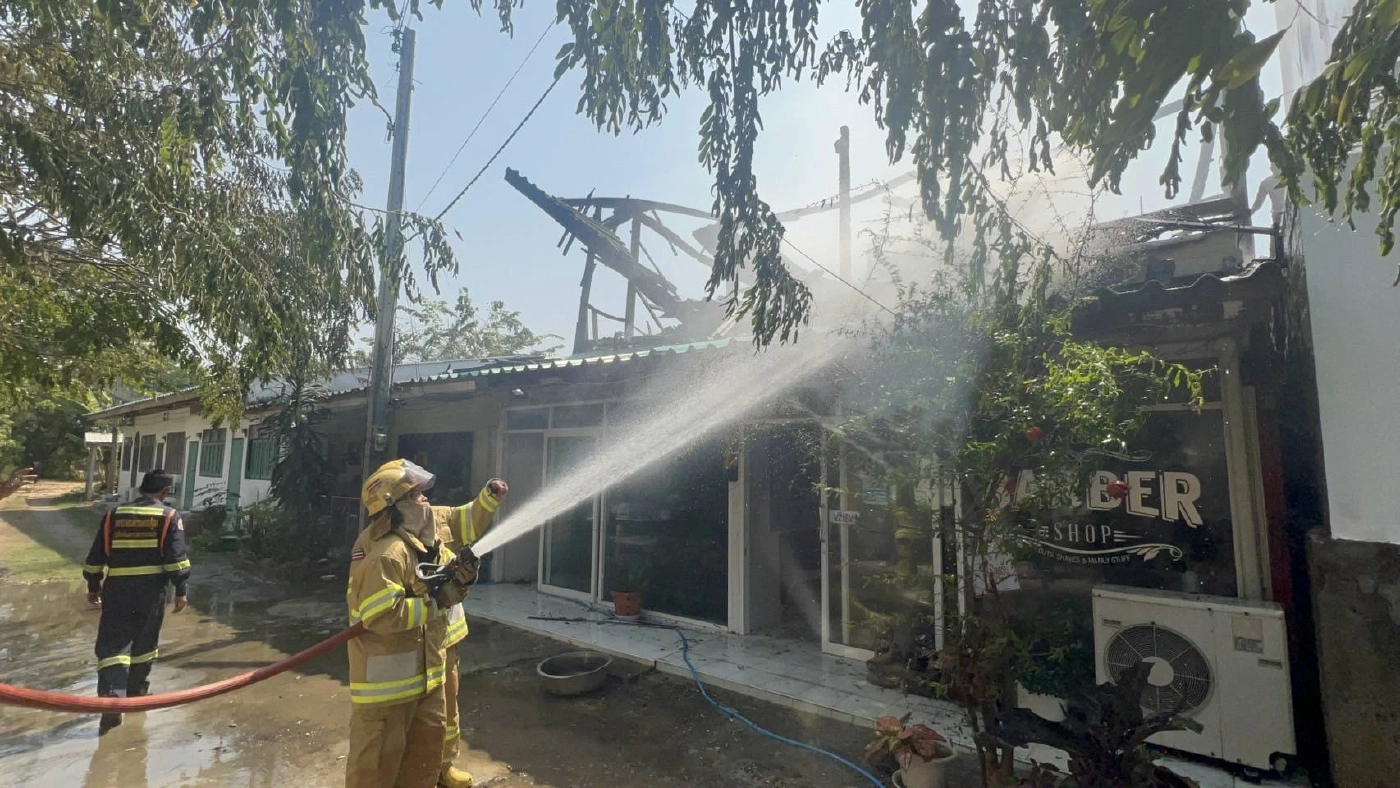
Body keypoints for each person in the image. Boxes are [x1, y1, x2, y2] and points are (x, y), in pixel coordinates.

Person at [345, 459, 449, 788]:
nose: (426, 501)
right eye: (418, 495)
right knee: (376, 771)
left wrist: (458, 576)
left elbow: (441, 576)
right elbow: (380, 615)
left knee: (423, 763)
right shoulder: (387, 554)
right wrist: (435, 604)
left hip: (427, 679)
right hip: (387, 690)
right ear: (396, 506)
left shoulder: (421, 544)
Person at [81, 469, 190, 733]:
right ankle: (137, 695)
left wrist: (93, 585)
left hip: (117, 590)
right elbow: (176, 559)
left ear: (141, 489)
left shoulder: (113, 515)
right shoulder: (169, 516)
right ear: (164, 493)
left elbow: (96, 555)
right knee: (144, 644)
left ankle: (112, 701)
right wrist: (181, 589)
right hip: (151, 593)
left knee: (112, 647)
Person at [426, 477, 507, 788]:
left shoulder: (433, 518)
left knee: (448, 708)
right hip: (413, 643)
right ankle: (415, 770)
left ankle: (444, 767)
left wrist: (490, 497)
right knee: (418, 715)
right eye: (415, 494)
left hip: (447, 639)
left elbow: (466, 518)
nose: (423, 498)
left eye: (422, 493)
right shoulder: (386, 547)